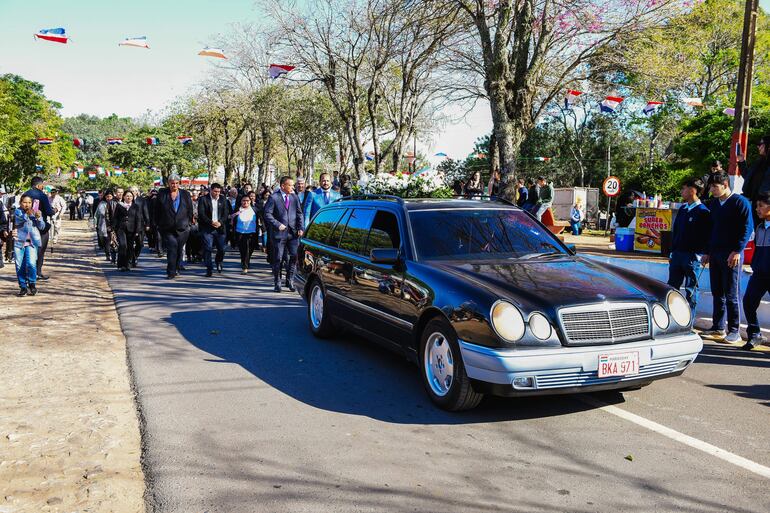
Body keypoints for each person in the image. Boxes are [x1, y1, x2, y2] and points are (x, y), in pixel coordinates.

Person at [700, 172, 753, 343]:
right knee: (717, 292)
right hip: (715, 253)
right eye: (711, 187)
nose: (712, 190)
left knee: (731, 293)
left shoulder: (740, 202)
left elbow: (747, 228)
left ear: (725, 185)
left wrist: (737, 250)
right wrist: (707, 252)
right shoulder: (714, 204)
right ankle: (718, 327)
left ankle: (734, 330)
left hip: (732, 255)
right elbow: (709, 230)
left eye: (715, 187)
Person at [667, 179, 711, 311]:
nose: (682, 191)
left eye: (684, 188)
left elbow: (707, 235)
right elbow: (676, 232)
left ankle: (689, 319)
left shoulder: (703, 211)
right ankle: (671, 314)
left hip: (692, 257)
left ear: (693, 190)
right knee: (671, 287)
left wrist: (703, 253)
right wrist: (672, 251)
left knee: (691, 289)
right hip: (677, 255)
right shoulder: (683, 209)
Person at [264, 176, 304, 292]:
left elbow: (299, 213)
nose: (293, 187)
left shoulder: (294, 197)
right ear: (283, 186)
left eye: (293, 185)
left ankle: (290, 280)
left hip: (293, 233)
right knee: (278, 258)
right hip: (279, 234)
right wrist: (277, 224)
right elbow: (267, 214)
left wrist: (301, 227)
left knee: (293, 257)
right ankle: (277, 282)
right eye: (290, 185)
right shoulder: (274, 197)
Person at [741, 191, 770, 350]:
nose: (757, 209)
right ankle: (755, 334)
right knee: (749, 302)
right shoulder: (759, 227)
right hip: (759, 274)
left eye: (761, 206)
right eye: (756, 206)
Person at [154, 174, 194, 279]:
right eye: (172, 183)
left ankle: (176, 267)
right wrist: (157, 224)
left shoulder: (185, 194)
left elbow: (190, 209)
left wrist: (189, 222)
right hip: (167, 227)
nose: (174, 185)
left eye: (176, 183)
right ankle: (170, 271)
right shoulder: (162, 193)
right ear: (168, 183)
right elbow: (156, 209)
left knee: (179, 249)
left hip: (183, 227)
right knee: (172, 247)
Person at [13, 193, 46, 296]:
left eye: (29, 202)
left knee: (31, 263)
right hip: (19, 240)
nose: (27, 204)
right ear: (20, 203)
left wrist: (39, 217)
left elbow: (42, 227)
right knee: (19, 265)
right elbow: (22, 218)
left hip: (32, 241)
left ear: (32, 203)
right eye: (24, 202)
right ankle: (23, 286)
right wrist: (30, 214)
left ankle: (32, 284)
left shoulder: (36, 212)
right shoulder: (17, 211)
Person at [23, 177, 54, 280]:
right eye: (42, 185)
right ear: (38, 185)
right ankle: (37, 272)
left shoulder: (25, 195)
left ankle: (28, 273)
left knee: (28, 249)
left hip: (26, 227)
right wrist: (54, 210)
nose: (43, 187)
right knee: (40, 250)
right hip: (41, 228)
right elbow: (49, 212)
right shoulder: (42, 195)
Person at [197, 182, 228, 277]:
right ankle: (209, 268)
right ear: (211, 190)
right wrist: (211, 222)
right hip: (207, 228)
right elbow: (201, 214)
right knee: (208, 248)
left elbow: (226, 213)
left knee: (222, 249)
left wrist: (220, 222)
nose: (217, 193)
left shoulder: (223, 199)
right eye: (215, 191)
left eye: (219, 191)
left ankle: (218, 261)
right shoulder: (203, 199)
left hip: (220, 228)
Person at [738, 135, 770, 224]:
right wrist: (741, 161)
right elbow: (748, 176)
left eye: (761, 144)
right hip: (755, 203)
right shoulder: (759, 162)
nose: (758, 146)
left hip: (766, 205)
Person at [113, 191, 143, 272]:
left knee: (130, 247)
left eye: (130, 196)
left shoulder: (135, 206)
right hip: (121, 229)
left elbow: (138, 219)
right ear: (124, 197)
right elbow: (115, 218)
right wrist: (114, 229)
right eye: (127, 196)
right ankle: (121, 264)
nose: (129, 198)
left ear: (132, 198)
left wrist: (137, 230)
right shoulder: (119, 205)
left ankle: (128, 264)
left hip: (132, 229)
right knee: (123, 245)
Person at [232, 196, 259, 273]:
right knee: (244, 250)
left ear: (250, 201)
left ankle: (246, 261)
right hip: (240, 233)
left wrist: (263, 229)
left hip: (252, 233)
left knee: (250, 249)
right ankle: (245, 266)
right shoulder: (237, 209)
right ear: (241, 201)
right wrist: (233, 216)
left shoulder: (255, 210)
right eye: (244, 200)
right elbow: (231, 218)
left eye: (247, 200)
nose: (245, 202)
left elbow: (260, 219)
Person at [96, 190, 118, 263]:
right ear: (105, 197)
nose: (109, 198)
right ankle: (107, 255)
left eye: (110, 196)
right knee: (106, 241)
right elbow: (99, 214)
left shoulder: (115, 203)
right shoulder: (102, 204)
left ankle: (113, 257)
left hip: (114, 225)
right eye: (107, 196)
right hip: (103, 225)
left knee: (113, 241)